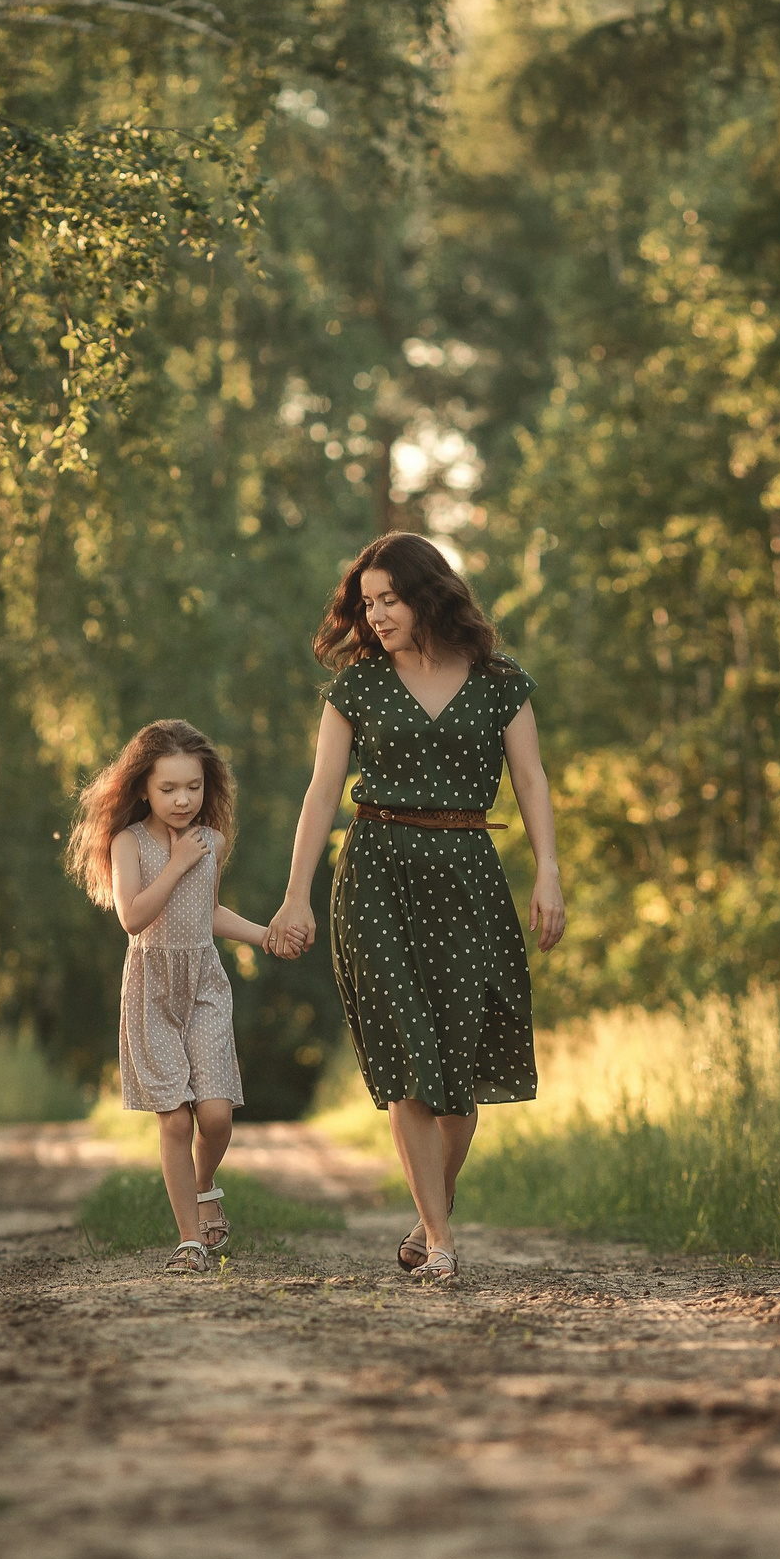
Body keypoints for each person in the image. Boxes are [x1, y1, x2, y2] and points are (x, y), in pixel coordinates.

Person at [266, 534, 565, 1285]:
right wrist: (296, 892)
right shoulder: (357, 687)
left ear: (428, 594)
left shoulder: (502, 683)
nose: (376, 616)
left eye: (389, 600)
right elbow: (320, 793)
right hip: (376, 873)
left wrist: (549, 873)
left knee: (459, 1075)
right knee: (410, 1059)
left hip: (468, 874)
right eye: (367, 604)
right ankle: (441, 1242)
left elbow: (530, 779)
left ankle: (433, 1205)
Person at [66, 720, 289, 1272]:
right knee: (175, 1121)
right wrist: (177, 862)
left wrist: (265, 936)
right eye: (168, 789)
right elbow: (133, 917)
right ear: (143, 787)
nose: (183, 799)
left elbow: (208, 912)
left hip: (204, 987)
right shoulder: (128, 842)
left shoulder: (211, 841)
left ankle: (204, 1182)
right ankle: (190, 1240)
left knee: (216, 1117)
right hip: (151, 990)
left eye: (194, 787)